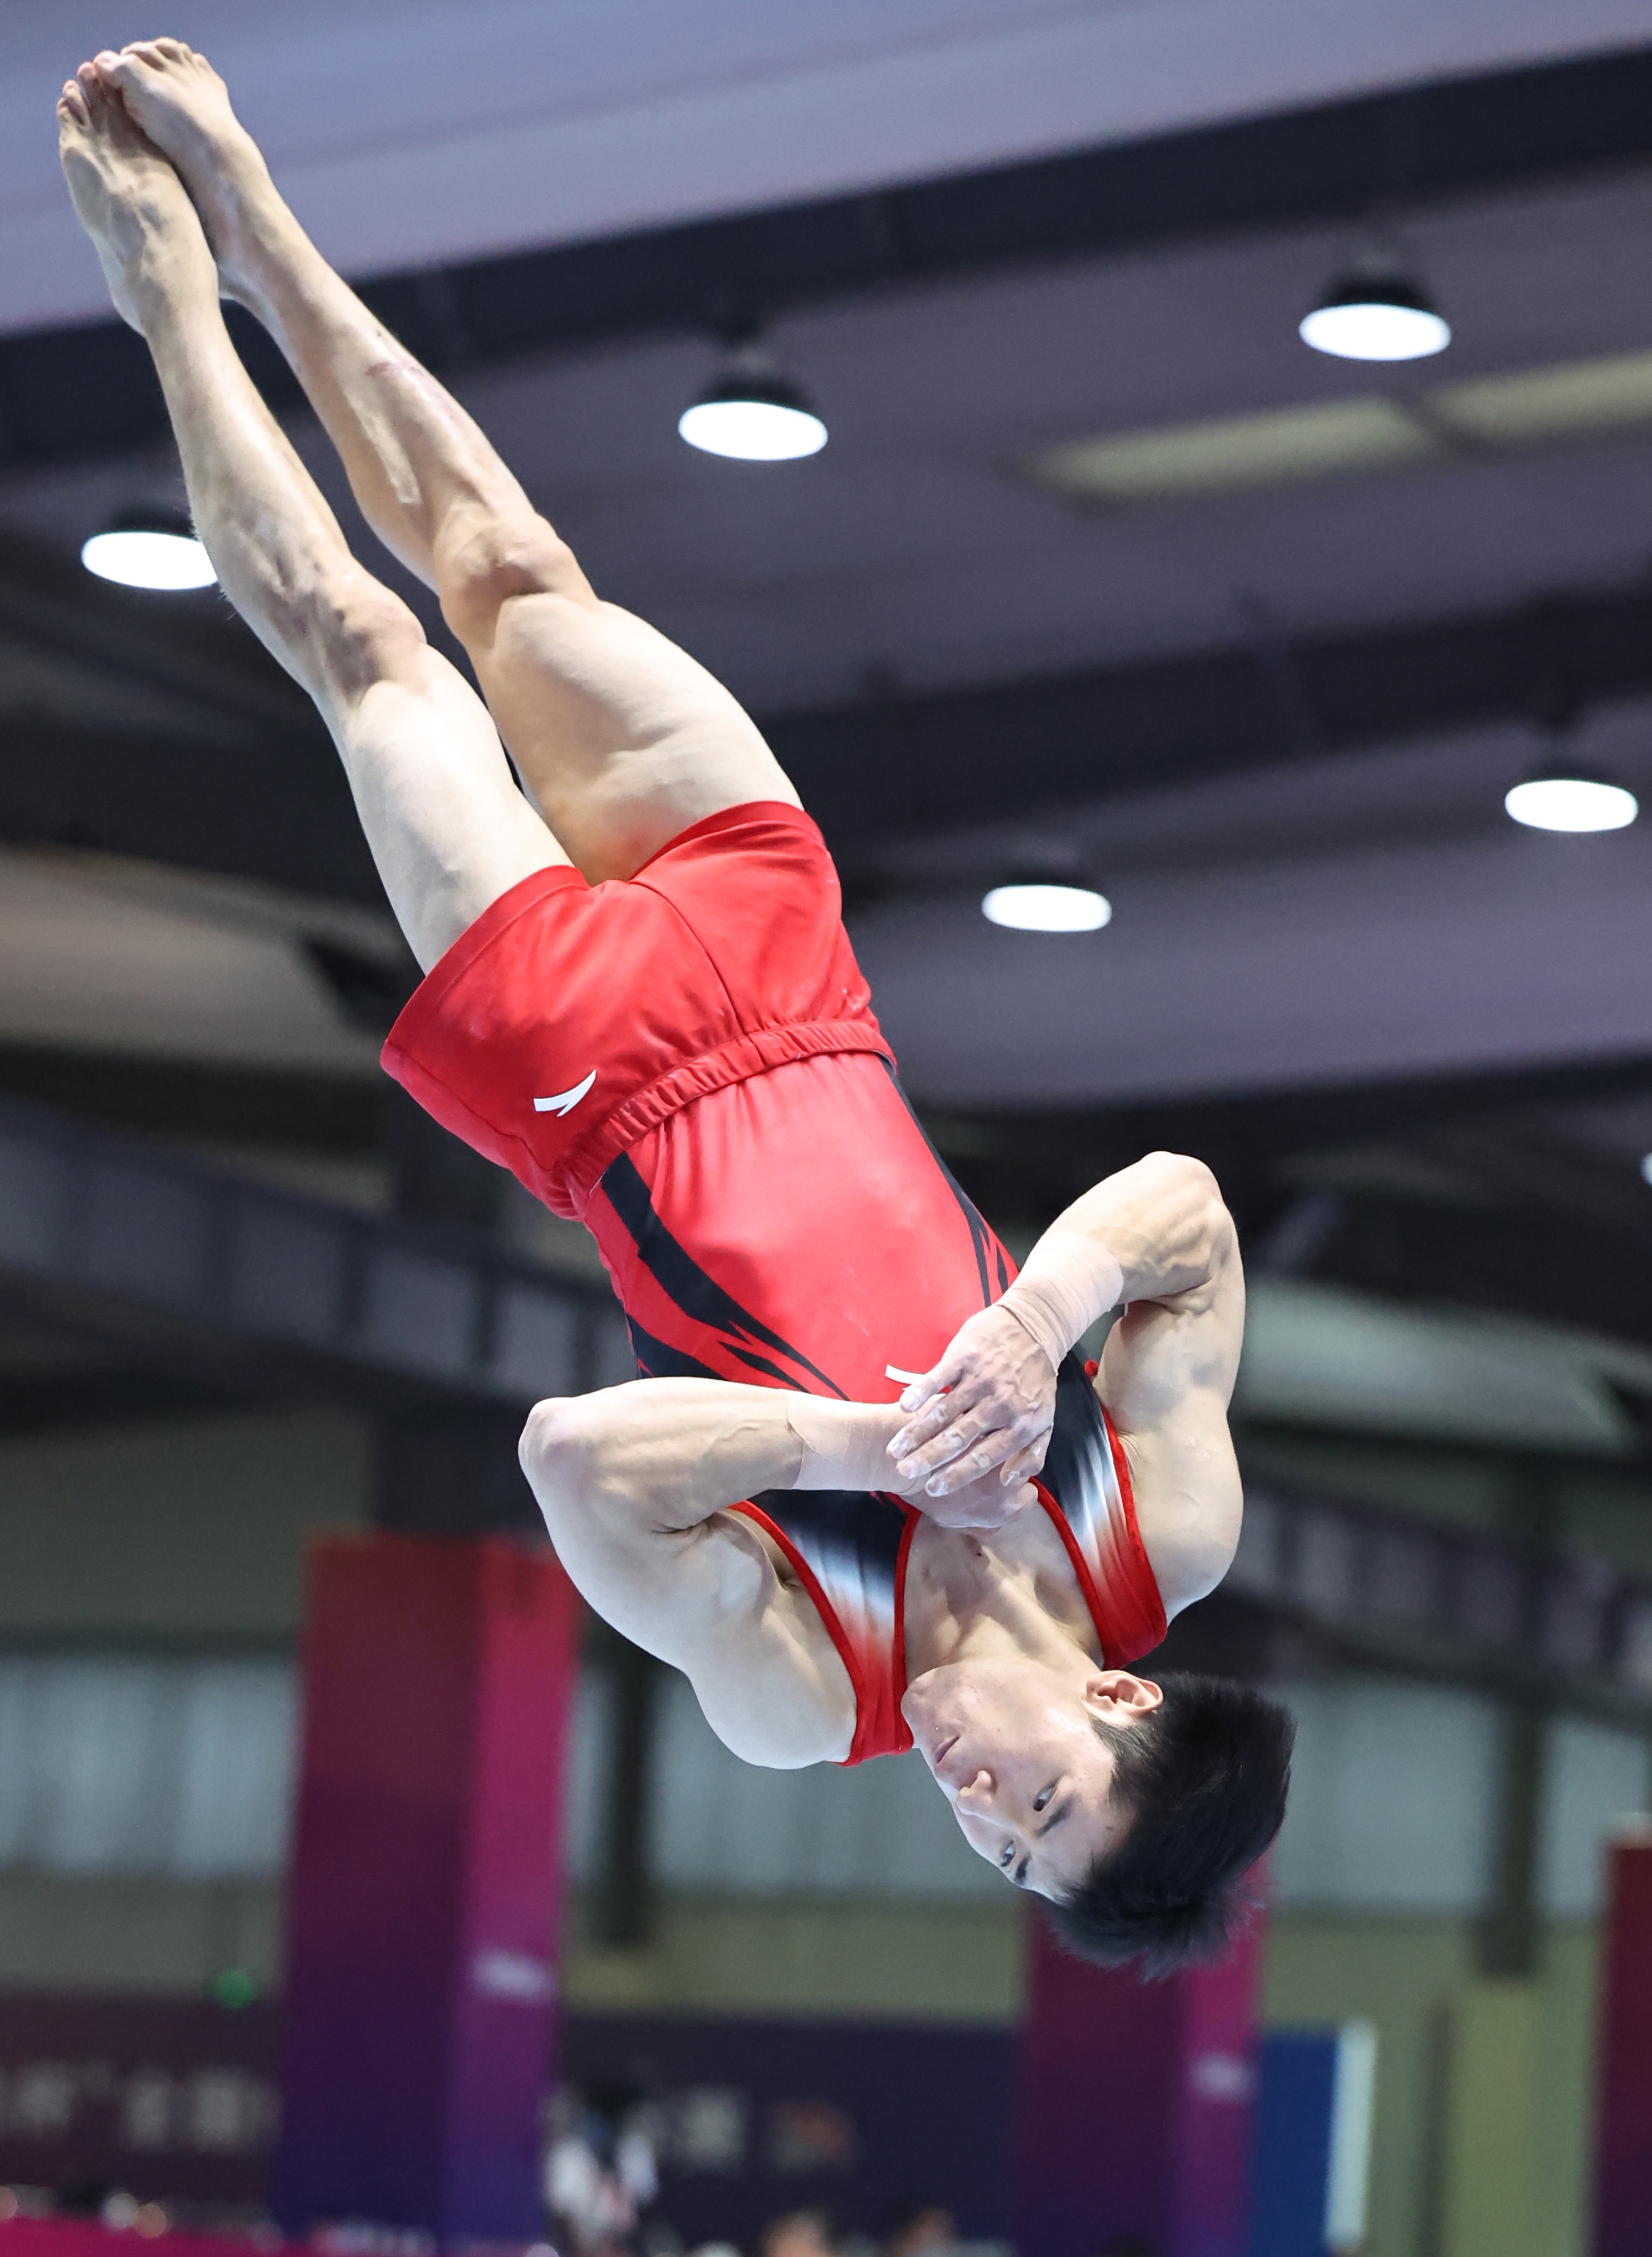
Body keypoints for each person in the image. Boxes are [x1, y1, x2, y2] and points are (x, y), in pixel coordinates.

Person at [57, 42, 1293, 1969]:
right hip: (796, 977)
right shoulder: (1164, 1527)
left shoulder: (805, 1695)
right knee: (507, 568)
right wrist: (1033, 1328)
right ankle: (253, 216)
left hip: (588, 1077)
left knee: (368, 648)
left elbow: (572, 1454)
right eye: (1041, 1801)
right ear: (1121, 1697)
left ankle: (160, 294)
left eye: (1002, 1853)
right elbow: (1186, 1213)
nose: (979, 1802)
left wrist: (873, 1453)